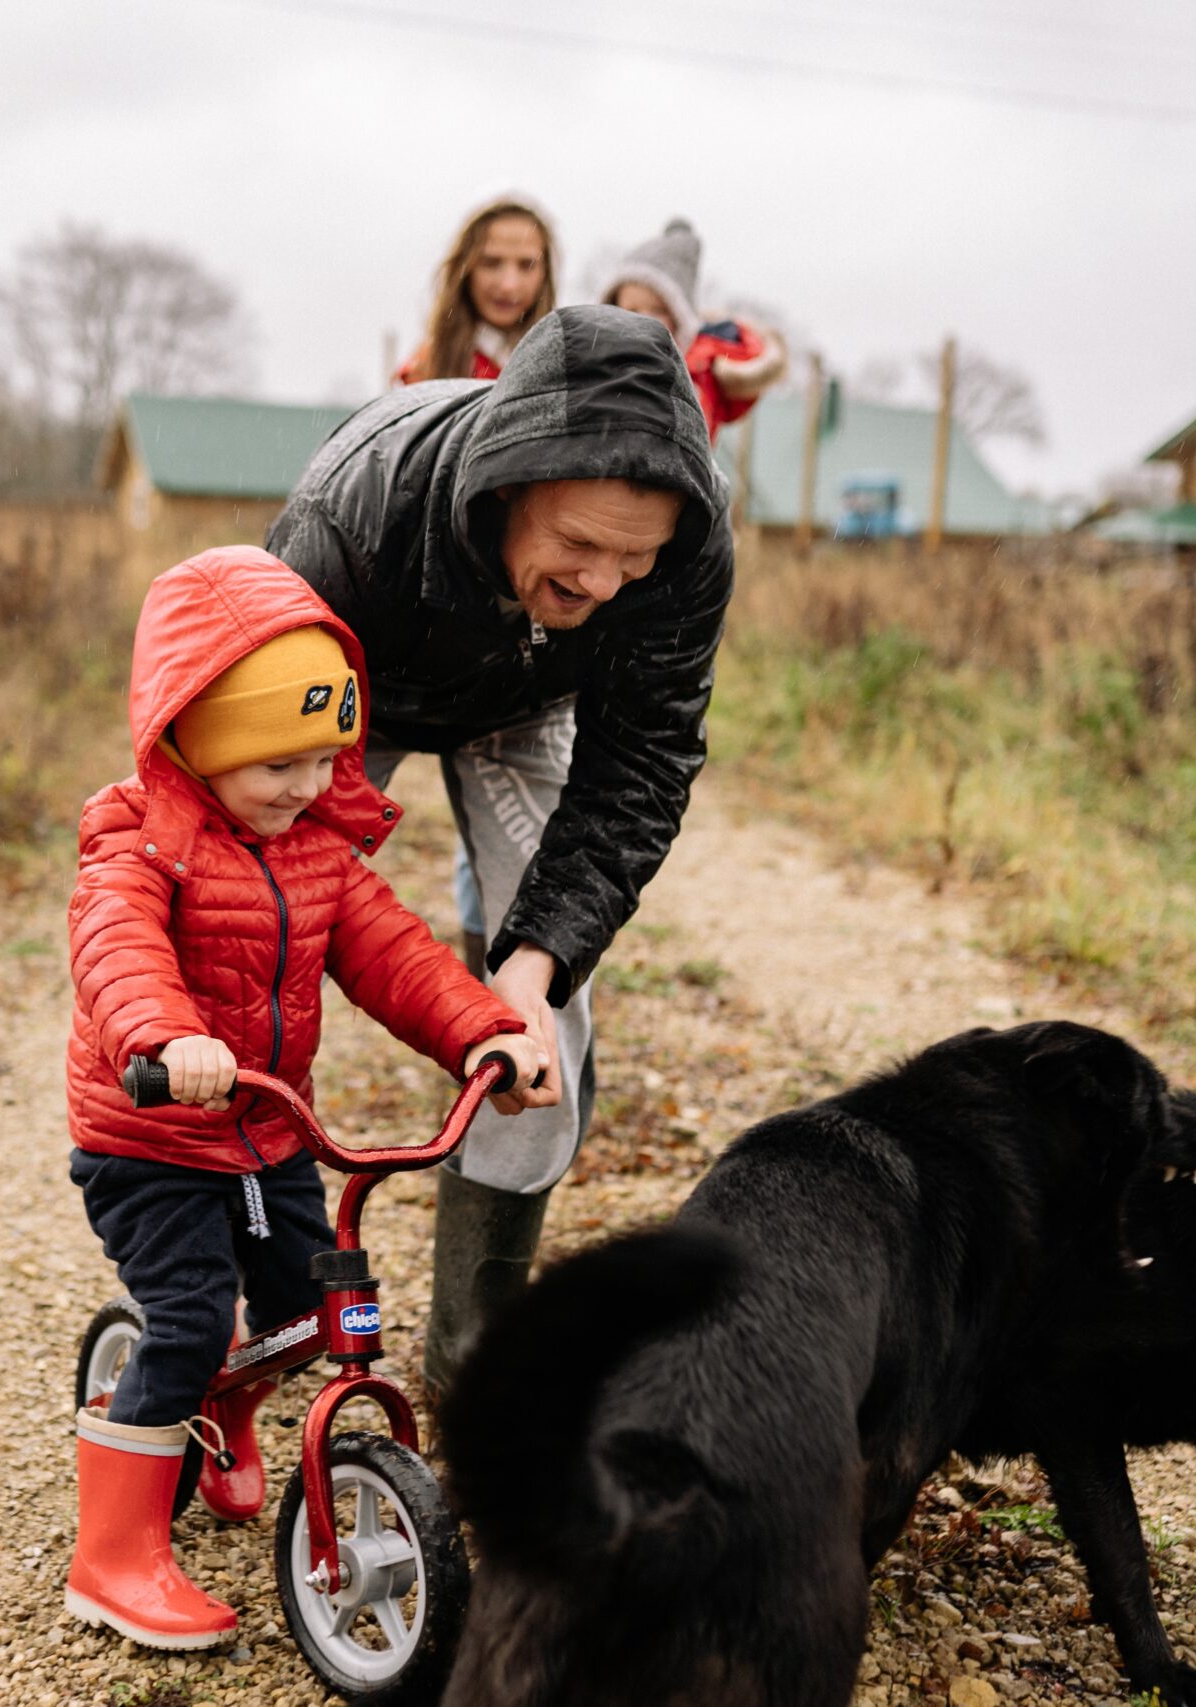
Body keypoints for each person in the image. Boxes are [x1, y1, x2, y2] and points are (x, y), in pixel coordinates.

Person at [61, 545, 554, 1651]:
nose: (300, 785)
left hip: (268, 1132)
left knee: (300, 1311)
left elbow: (395, 956)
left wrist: (486, 1031)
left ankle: (226, 1407)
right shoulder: (137, 849)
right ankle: (113, 1559)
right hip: (152, 1137)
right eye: (270, 760)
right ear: (192, 732)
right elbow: (117, 957)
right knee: (189, 1319)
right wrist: (167, 1036)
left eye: (319, 757)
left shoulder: (318, 853)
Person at [267, 304, 734, 1400]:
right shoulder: (353, 519)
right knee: (256, 945)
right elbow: (237, 744)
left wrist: (529, 966)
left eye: (635, 557)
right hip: (343, 687)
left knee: (547, 1011)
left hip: (525, 702)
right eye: (577, 546)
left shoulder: (688, 550)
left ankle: (470, 1358)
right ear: (508, 483)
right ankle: (236, 1277)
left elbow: (644, 763)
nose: (605, 584)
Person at [596, 218, 788, 441]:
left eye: (657, 310)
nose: (643, 319)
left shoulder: (699, 367)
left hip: (685, 467)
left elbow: (745, 366)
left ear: (679, 316)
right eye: (632, 309)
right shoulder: (603, 364)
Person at [393, 195, 557, 385]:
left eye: (526, 265)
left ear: (545, 274)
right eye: (490, 263)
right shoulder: (425, 370)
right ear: (464, 270)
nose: (508, 285)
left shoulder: (569, 365)